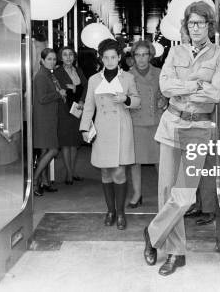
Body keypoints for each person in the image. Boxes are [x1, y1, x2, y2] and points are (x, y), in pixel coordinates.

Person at [143, 1, 220, 276]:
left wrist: (186, 89)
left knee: (183, 196)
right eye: (191, 23)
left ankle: (151, 233)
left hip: (198, 127)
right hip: (171, 124)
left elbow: (213, 95)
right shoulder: (175, 51)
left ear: (210, 26)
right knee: (167, 191)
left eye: (201, 23)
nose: (195, 28)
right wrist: (195, 85)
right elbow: (166, 88)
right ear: (186, 25)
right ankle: (175, 253)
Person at [79, 39, 141, 230]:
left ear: (120, 57)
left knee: (120, 171)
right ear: (101, 59)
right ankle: (110, 211)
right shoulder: (94, 79)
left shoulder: (128, 78)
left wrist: (126, 98)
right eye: (106, 57)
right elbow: (89, 106)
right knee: (105, 171)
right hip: (101, 128)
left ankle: (120, 212)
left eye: (113, 57)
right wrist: (84, 128)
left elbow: (137, 101)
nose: (110, 61)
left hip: (122, 127)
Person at [128, 40, 167, 207]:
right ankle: (137, 194)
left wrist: (164, 99)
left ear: (150, 56)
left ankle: (164, 194)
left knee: (160, 160)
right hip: (135, 122)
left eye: (144, 55)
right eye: (138, 55)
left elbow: (167, 92)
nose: (141, 59)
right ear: (133, 57)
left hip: (156, 121)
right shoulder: (127, 75)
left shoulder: (160, 72)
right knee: (135, 161)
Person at [32, 48, 66, 196]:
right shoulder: (41, 76)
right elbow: (42, 98)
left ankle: (44, 182)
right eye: (49, 59)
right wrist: (58, 94)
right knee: (53, 150)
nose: (52, 62)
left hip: (49, 116)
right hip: (43, 118)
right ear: (42, 60)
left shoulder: (48, 74)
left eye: (54, 59)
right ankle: (34, 180)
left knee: (45, 151)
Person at [55, 47, 88, 184]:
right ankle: (69, 174)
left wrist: (80, 97)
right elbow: (62, 90)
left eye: (70, 55)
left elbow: (86, 87)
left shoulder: (78, 70)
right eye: (65, 55)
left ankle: (72, 171)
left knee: (74, 143)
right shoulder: (57, 72)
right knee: (66, 144)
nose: (68, 57)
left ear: (74, 57)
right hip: (64, 110)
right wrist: (75, 89)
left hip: (77, 110)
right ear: (61, 57)